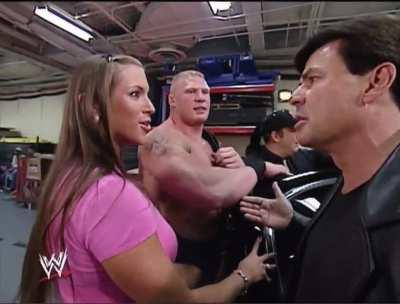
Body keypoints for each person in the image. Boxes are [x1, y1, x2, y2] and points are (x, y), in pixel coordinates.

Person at [18, 55, 274, 303]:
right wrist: (244, 274)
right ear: (93, 108)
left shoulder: (69, 177)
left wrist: (189, 271)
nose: (150, 106)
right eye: (134, 94)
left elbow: (60, 269)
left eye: (146, 94)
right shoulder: (109, 194)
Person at [240, 14, 400, 302]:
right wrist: (294, 222)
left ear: (377, 81)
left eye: (312, 79)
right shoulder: (351, 177)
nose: (295, 97)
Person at [139, 70, 287, 287]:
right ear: (172, 99)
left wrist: (237, 164)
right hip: (180, 252)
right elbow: (211, 192)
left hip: (218, 245)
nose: (201, 97)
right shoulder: (160, 141)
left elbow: (221, 181)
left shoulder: (208, 140)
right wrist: (258, 166)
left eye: (205, 92)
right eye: (191, 91)